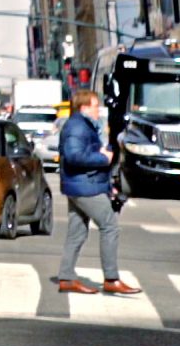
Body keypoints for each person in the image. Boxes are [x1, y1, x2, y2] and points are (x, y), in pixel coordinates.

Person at [53, 89, 136, 296]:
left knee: (77, 232)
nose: (98, 110)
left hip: (80, 184)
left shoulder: (82, 125)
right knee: (110, 226)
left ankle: (67, 278)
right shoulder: (77, 127)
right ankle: (111, 278)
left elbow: (80, 153)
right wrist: (103, 158)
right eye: (95, 105)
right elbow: (73, 156)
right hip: (85, 186)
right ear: (84, 107)